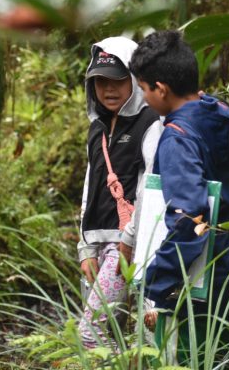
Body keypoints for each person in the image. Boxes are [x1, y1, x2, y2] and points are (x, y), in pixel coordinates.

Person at [128, 30, 229, 363]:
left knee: (196, 356)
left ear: (161, 89)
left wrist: (155, 286)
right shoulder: (218, 112)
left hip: (200, 277)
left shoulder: (176, 139)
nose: (144, 99)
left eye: (144, 90)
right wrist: (214, 104)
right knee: (225, 355)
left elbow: (191, 218)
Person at [76, 37, 163, 348]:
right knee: (114, 333)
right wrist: (84, 247)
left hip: (126, 247)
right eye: (99, 81)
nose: (108, 89)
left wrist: (128, 242)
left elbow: (149, 188)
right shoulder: (97, 127)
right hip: (96, 246)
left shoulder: (150, 124)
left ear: (134, 80)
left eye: (117, 80)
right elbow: (90, 185)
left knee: (90, 337)